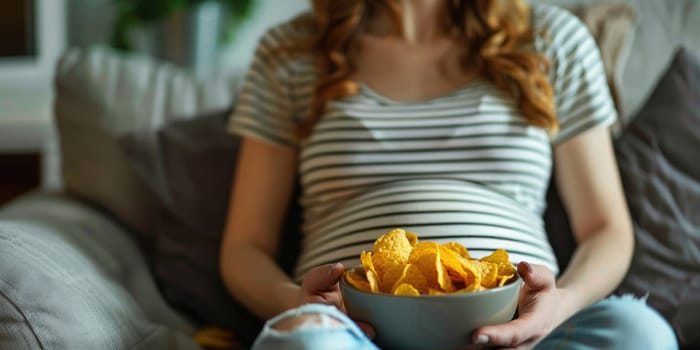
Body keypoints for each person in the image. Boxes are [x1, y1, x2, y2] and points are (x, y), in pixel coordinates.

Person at [219, 0, 678, 349]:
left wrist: (561, 303)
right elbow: (244, 248)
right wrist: (296, 303)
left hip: (525, 337)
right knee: (307, 344)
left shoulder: (552, 40)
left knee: (640, 333)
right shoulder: (291, 53)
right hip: (349, 334)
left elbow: (606, 230)